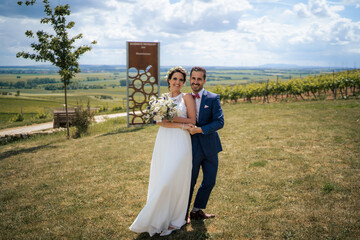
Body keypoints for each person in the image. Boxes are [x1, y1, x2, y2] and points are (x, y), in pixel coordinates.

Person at [129, 66, 196, 237]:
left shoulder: (186, 97)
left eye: (181, 80)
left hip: (181, 142)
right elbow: (160, 122)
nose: (178, 82)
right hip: (164, 141)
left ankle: (176, 218)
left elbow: (192, 120)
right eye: (175, 79)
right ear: (169, 80)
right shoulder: (162, 99)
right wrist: (178, 123)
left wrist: (171, 118)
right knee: (162, 178)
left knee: (174, 178)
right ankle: (157, 216)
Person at [186, 66, 224, 222]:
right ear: (190, 79)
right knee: (190, 182)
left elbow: (219, 122)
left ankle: (196, 210)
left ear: (204, 80)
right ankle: (182, 214)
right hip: (190, 148)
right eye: (193, 78)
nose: (196, 82)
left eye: (199, 79)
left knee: (209, 181)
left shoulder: (213, 98)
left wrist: (200, 129)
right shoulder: (184, 98)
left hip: (210, 147)